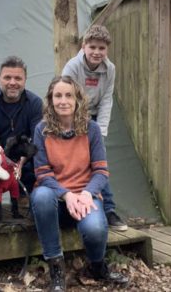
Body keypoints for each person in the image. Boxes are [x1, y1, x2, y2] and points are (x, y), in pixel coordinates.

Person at [31, 76, 129, 291]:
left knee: (95, 229)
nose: (63, 101)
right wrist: (66, 195)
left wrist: (86, 194)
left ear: (78, 100)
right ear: (51, 99)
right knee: (41, 195)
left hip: (85, 196)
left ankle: (97, 266)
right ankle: (57, 269)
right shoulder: (42, 130)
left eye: (69, 95)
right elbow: (43, 173)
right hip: (56, 199)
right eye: (58, 95)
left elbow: (101, 171)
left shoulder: (91, 129)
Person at [62, 25, 128, 231]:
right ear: (84, 47)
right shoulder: (72, 67)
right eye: (92, 47)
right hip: (73, 115)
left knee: (100, 161)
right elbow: (67, 97)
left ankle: (108, 210)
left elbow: (107, 99)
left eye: (101, 48)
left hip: (95, 116)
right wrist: (77, 128)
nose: (97, 52)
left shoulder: (110, 70)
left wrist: (100, 131)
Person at [0, 56, 43, 195]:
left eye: (18, 78)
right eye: (7, 78)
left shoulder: (35, 104)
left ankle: (23, 194)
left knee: (40, 154)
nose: (12, 82)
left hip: (21, 158)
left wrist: (20, 162)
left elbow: (37, 141)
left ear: (25, 80)